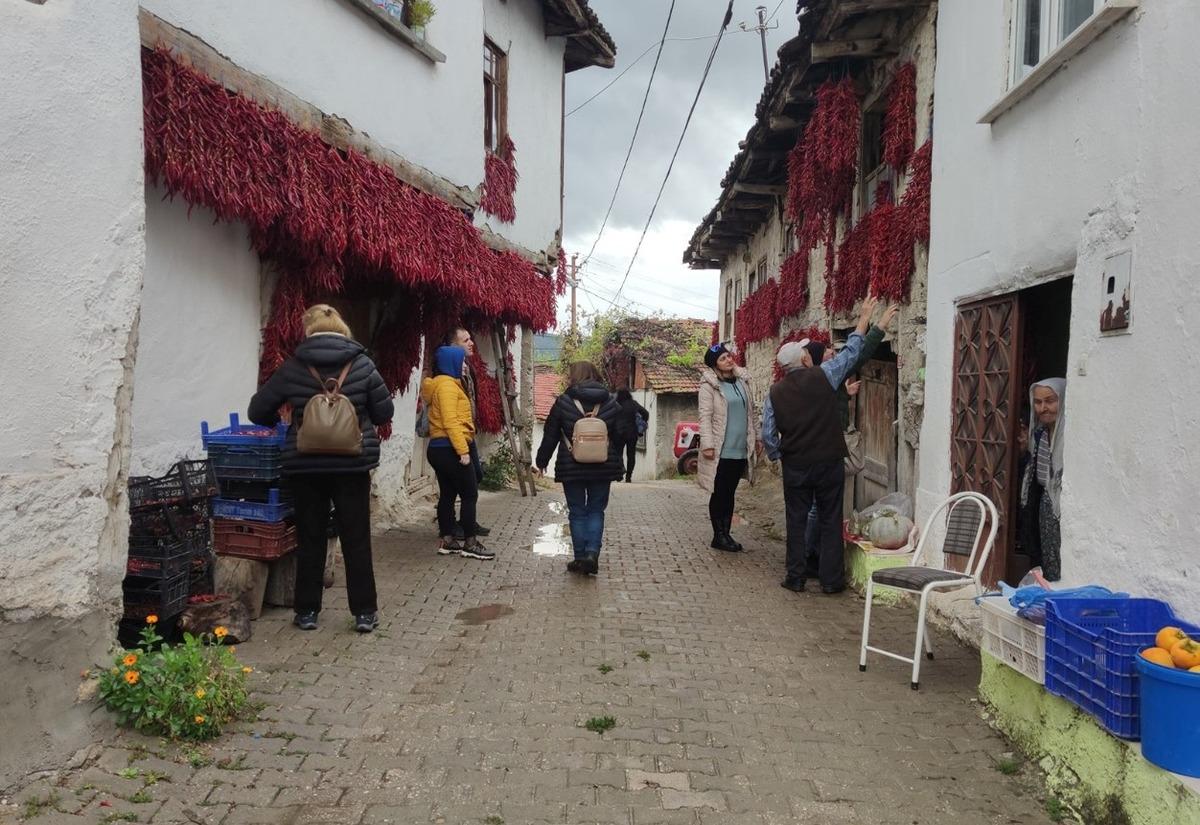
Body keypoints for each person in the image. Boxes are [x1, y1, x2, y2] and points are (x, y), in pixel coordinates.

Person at [248, 304, 394, 633]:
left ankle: (307, 612)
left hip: (306, 465)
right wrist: (358, 415)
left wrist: (286, 420)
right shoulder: (363, 364)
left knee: (310, 537)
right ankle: (364, 613)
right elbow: (384, 413)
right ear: (342, 328)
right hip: (353, 465)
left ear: (309, 329)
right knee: (356, 538)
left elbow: (258, 411)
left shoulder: (293, 366)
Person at [762, 296, 885, 594]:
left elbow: (767, 433)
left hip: (796, 465)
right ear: (804, 359)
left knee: (796, 519)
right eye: (806, 351)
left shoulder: (774, 392)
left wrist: (780, 454)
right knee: (831, 519)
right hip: (828, 460)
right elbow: (852, 353)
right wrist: (864, 317)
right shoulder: (825, 375)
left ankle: (795, 577)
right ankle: (831, 582)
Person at [801, 306, 898, 566]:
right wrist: (876, 325)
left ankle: (809, 556)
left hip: (810, 450)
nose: (834, 352)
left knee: (815, 506)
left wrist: (844, 394)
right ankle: (815, 558)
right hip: (827, 449)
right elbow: (859, 354)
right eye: (828, 351)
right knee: (821, 508)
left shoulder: (805, 380)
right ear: (816, 359)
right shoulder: (827, 375)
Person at [534, 362, 623, 575]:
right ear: (595, 375)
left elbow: (551, 434)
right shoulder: (611, 402)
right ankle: (592, 554)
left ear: (574, 377)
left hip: (571, 465)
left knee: (577, 511)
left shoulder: (563, 402)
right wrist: (616, 460)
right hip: (603, 467)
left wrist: (542, 461)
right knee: (596, 510)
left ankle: (580, 557)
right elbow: (621, 435)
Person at [422, 345, 495, 561]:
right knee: (470, 494)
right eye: (462, 362)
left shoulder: (444, 384)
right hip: (450, 447)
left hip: (440, 448)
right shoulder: (446, 387)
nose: (465, 366)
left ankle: (448, 540)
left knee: (447, 494)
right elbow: (450, 421)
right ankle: (470, 543)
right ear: (451, 363)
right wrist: (463, 451)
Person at [697, 344, 757, 552]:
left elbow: (751, 413)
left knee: (730, 492)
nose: (729, 360)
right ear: (715, 365)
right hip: (720, 448)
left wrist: (754, 439)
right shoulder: (709, 386)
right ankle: (718, 535)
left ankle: (727, 533)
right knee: (720, 492)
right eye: (723, 358)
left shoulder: (742, 381)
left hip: (740, 447)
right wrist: (707, 445)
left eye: (729, 356)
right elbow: (705, 417)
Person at [443, 327, 490, 538]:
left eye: (471, 338)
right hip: (454, 436)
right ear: (454, 345)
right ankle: (452, 526)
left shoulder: (466, 368)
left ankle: (465, 521)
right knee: (453, 485)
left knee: (475, 476)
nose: (471, 343)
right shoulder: (446, 372)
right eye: (466, 340)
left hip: (467, 433)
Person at [1019, 378, 1066, 581]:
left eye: (1050, 401)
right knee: (1044, 559)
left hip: (1061, 511)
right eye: (1038, 402)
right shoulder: (1039, 433)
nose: (1043, 408)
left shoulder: (1069, 435)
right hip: (1043, 507)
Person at [614, 388, 649, 483]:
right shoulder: (633, 404)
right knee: (631, 455)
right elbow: (646, 413)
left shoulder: (615, 404)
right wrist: (643, 422)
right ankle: (629, 476)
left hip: (618, 433)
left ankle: (619, 473)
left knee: (618, 454)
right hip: (632, 433)